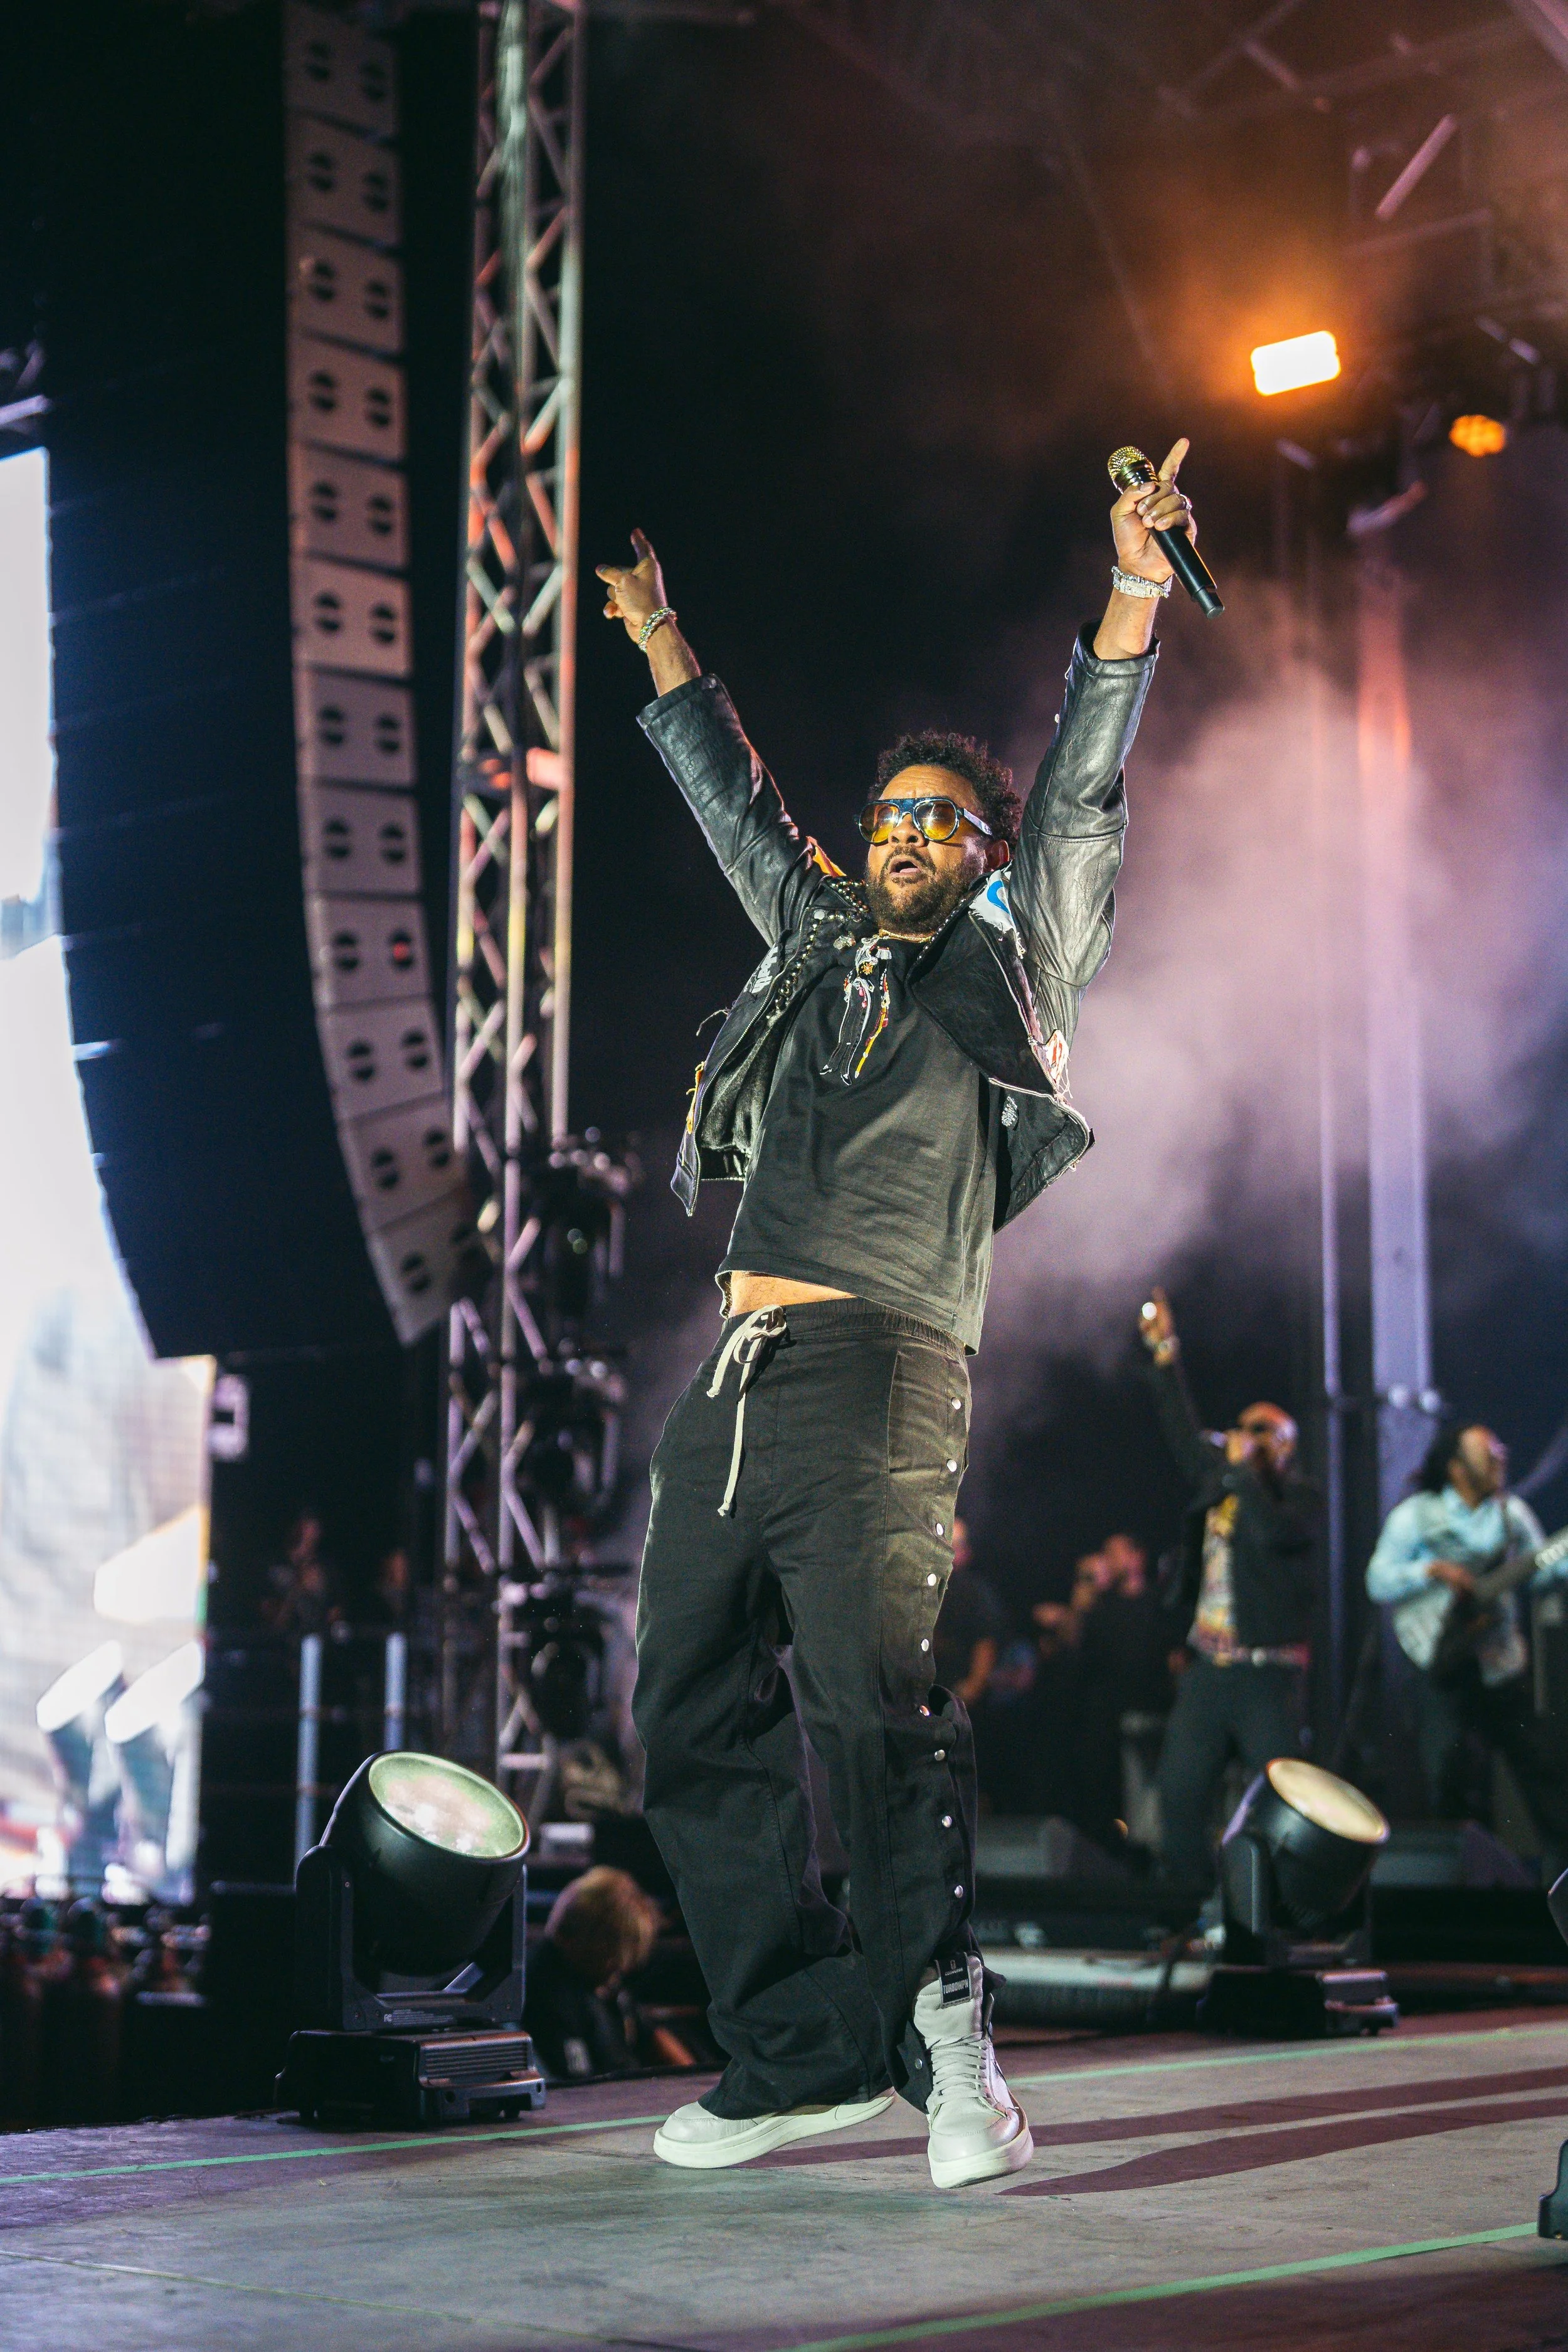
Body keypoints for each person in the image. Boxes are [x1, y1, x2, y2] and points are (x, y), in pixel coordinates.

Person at [598, 442, 1195, 2186]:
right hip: (738, 1368)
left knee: (867, 1703)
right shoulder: (816, 939)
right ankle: (795, 2052)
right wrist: (660, 639)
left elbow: (1081, 787)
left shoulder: (1015, 957)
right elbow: (735, 803)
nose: (909, 835)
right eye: (890, 819)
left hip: (884, 1359)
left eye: (944, 819)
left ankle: (940, 2022)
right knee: (683, 1703)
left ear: (985, 854)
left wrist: (1132, 583)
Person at [1138, 1286, 1318, 1890]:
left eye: (1262, 1430)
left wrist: (1242, 1470)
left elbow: (1273, 1535)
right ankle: (1189, 1910)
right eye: (1242, 1427)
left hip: (1268, 1676)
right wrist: (1165, 1351)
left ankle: (1277, 1915)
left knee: (1281, 1800)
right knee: (1179, 1791)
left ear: (1287, 1444)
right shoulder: (1224, 1482)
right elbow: (1180, 1430)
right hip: (1210, 1671)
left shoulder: (1301, 1499)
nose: (1245, 1435)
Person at [1367, 1421, 1568, 1866]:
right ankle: (1463, 1882)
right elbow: (1378, 1580)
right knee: (1451, 1779)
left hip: (1499, 1665)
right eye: (1487, 1451)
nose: (1500, 1455)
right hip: (1441, 1667)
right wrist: (1432, 1570)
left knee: (1545, 1774)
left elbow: (1545, 1571)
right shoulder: (1417, 1516)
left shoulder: (1511, 1514)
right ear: (1457, 1467)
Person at [523, 1865, 664, 2082]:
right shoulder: (546, 1999)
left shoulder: (595, 1978)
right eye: (614, 1958)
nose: (620, 1968)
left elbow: (651, 2036)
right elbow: (582, 2088)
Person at [932, 1518, 1004, 1712]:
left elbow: (986, 1641)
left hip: (956, 1699)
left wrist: (972, 1688)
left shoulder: (976, 1594)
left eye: (955, 1546)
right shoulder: (923, 1587)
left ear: (966, 1552)